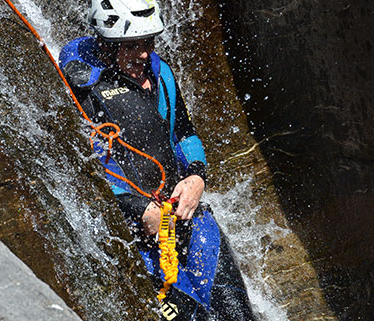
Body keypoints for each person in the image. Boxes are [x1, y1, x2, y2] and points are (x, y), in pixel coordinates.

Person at [60, 1, 256, 320]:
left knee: (239, 315)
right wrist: (139, 209)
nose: (143, 53)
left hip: (184, 216)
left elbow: (184, 132)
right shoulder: (84, 88)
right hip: (133, 237)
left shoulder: (160, 71)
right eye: (132, 45)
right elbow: (88, 170)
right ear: (105, 45)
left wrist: (196, 176)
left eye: (148, 42)